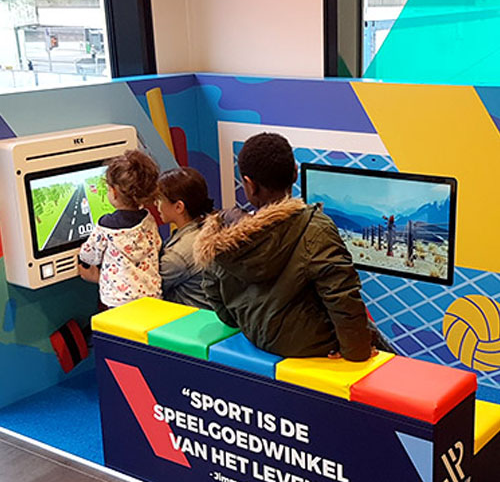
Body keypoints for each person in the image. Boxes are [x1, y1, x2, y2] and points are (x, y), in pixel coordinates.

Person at [194, 132, 377, 361]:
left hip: (255, 337)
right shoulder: (315, 227)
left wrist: (245, 322)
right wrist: (357, 353)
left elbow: (216, 296)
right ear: (295, 173)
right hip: (313, 347)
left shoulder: (223, 233)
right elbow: (342, 297)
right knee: (375, 336)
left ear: (249, 184)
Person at [79, 149, 162, 308]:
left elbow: (89, 256)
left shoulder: (106, 225)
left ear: (114, 192)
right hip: (151, 297)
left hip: (118, 301)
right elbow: (157, 245)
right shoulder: (148, 219)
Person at [157, 167, 214, 309]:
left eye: (159, 199)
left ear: (178, 207)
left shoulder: (179, 255)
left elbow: (150, 286)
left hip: (190, 319)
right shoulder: (211, 225)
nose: (156, 204)